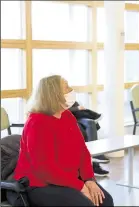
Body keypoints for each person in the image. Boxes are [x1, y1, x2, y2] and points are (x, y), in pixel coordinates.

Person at [9, 75, 114, 206]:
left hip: (68, 179)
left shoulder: (67, 116)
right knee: (84, 204)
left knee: (106, 201)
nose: (71, 90)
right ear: (54, 93)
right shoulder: (37, 122)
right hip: (40, 184)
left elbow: (82, 151)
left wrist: (89, 180)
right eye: (66, 87)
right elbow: (44, 170)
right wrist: (80, 186)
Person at [63, 80, 110, 177]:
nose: (69, 88)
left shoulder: (69, 96)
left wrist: (77, 108)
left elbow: (75, 106)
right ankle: (93, 162)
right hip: (69, 119)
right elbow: (61, 110)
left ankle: (95, 157)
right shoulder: (53, 99)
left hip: (78, 118)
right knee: (82, 128)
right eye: (66, 86)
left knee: (90, 122)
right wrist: (76, 109)